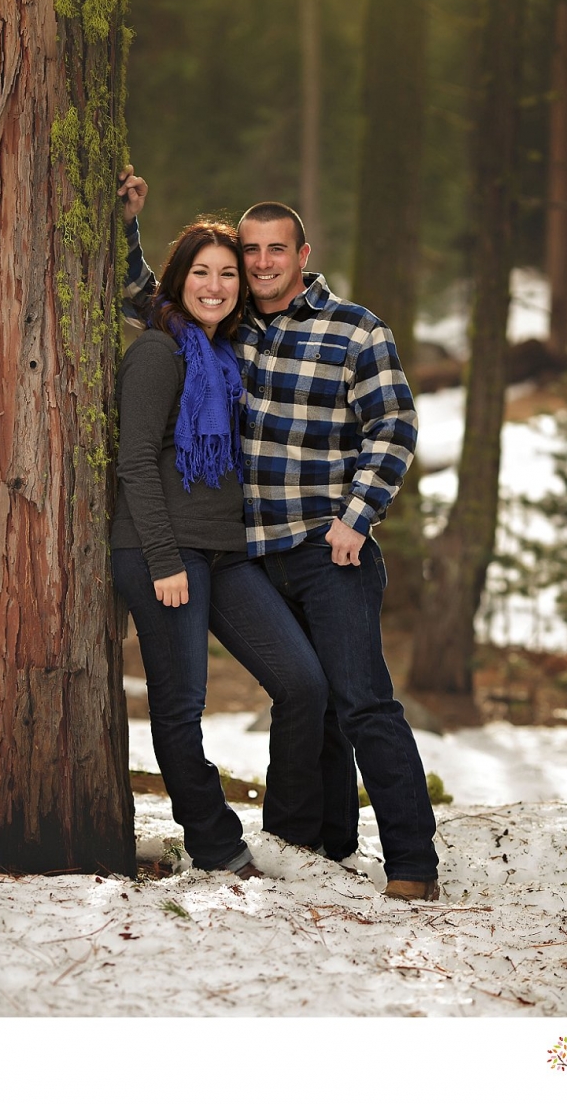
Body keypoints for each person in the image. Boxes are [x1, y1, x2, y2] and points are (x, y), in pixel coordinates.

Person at [119, 168, 440, 901]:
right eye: (249, 251)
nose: (258, 264)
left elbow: (394, 428)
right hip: (254, 549)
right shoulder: (229, 329)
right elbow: (149, 289)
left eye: (273, 250)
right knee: (310, 697)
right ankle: (309, 841)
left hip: (330, 547)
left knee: (360, 700)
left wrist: (359, 517)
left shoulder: (354, 328)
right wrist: (130, 219)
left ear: (303, 254)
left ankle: (414, 863)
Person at [111, 213, 335, 881]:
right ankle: (216, 845)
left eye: (227, 273)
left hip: (227, 552)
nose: (215, 285)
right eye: (201, 272)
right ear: (180, 281)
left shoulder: (232, 353)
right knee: (180, 707)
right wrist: (162, 560)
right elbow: (135, 464)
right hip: (165, 551)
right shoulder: (157, 350)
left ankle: (288, 836)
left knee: (303, 683)